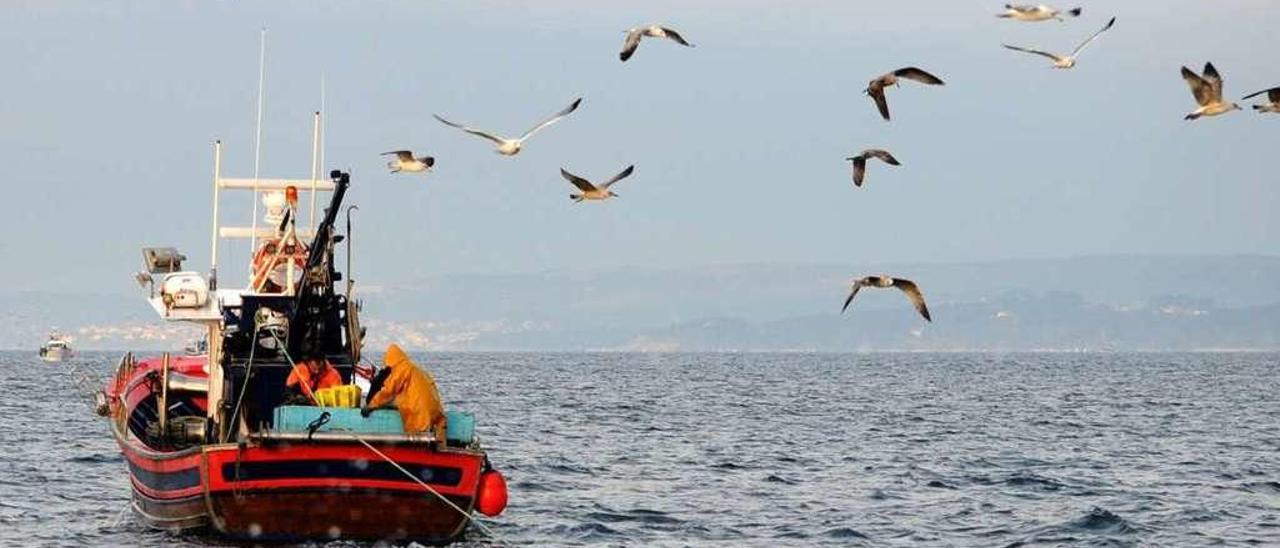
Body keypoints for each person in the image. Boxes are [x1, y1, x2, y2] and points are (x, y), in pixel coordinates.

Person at [361, 344, 446, 440]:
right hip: (436, 412)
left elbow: (388, 391)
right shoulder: (416, 368)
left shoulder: (401, 370)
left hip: (420, 414)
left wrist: (370, 406)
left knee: (419, 433)